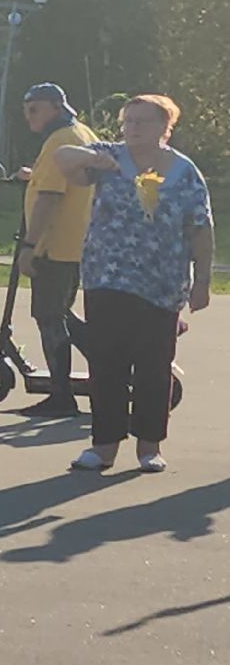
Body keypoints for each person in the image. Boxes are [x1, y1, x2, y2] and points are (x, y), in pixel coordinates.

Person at [55, 94, 213, 473]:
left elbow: (200, 227)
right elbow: (62, 159)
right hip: (107, 277)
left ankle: (149, 446)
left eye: (143, 121)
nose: (134, 128)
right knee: (106, 363)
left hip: (162, 282)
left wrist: (202, 280)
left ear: (165, 127)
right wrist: (90, 159)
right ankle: (103, 446)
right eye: (129, 121)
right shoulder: (109, 157)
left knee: (153, 367)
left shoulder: (185, 171)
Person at [14, 83, 97, 417]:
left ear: (54, 106)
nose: (28, 116)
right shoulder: (81, 134)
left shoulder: (59, 141)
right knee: (60, 312)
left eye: (34, 109)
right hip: (77, 244)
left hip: (54, 246)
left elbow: (51, 196)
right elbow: (65, 179)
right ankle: (109, 365)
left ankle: (62, 396)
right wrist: (34, 176)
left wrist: (30, 246)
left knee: (49, 317)